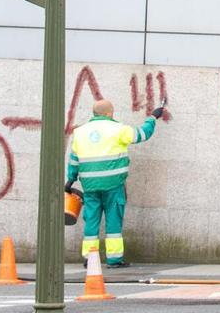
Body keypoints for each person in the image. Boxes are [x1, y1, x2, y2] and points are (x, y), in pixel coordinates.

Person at [65, 99, 163, 268]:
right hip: (113, 184)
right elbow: (142, 134)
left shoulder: (80, 132)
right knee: (113, 221)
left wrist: (70, 180)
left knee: (91, 221)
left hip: (90, 185)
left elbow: (74, 160)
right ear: (110, 113)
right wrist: (153, 118)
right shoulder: (118, 129)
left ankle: (90, 258)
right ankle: (114, 259)